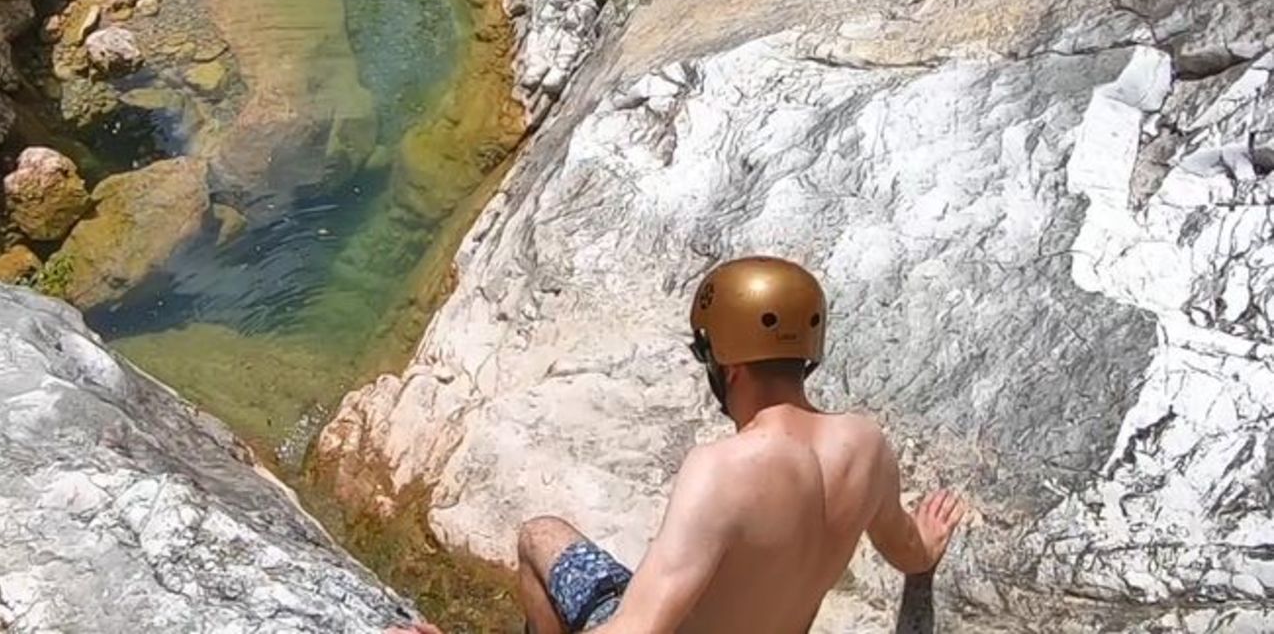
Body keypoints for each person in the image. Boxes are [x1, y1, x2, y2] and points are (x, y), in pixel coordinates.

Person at [389, 256, 968, 634]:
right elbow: (909, 551)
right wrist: (930, 543)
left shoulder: (723, 470)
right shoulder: (867, 446)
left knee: (539, 536)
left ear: (727, 366)